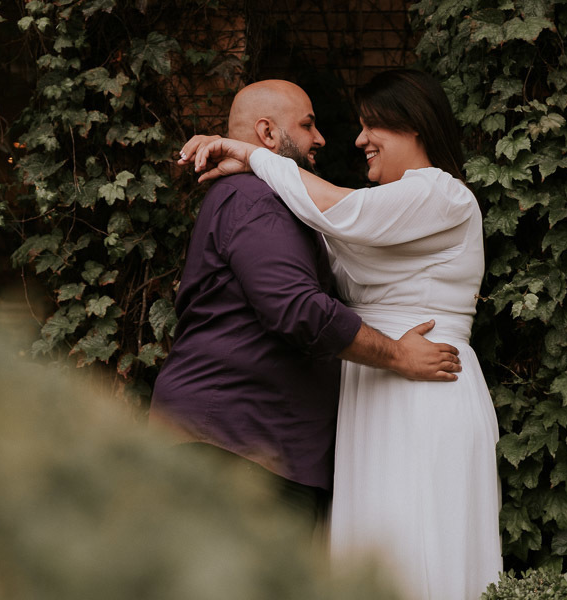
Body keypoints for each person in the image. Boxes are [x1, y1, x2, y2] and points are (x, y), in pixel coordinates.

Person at [179, 70, 502, 599]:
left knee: (418, 542)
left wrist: (254, 155)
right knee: (369, 549)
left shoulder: (442, 193)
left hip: (425, 383)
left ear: (414, 127)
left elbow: (338, 210)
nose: (357, 140)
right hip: (372, 389)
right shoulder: (384, 217)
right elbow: (326, 243)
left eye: (371, 125)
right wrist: (254, 161)